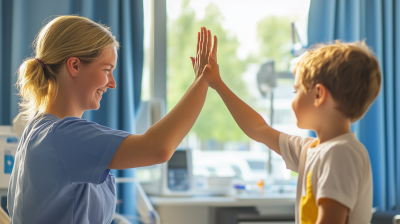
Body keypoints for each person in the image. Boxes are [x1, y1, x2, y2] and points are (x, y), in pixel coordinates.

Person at [8, 15, 216, 224]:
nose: (112, 83)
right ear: (75, 66)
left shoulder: (37, 128)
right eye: (107, 70)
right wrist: (202, 81)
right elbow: (158, 148)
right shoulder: (63, 135)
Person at [202, 40, 381, 224]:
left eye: (296, 91)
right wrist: (218, 84)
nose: (292, 100)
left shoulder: (341, 153)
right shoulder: (311, 149)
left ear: (318, 95)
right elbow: (258, 129)